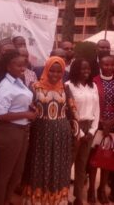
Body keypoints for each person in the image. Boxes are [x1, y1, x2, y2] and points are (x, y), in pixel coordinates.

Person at [22, 56, 77, 205]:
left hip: (61, 134)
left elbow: (72, 111)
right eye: (52, 70)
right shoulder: (34, 87)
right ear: (46, 69)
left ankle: (57, 200)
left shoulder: (65, 88)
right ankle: (38, 200)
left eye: (59, 72)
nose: (55, 74)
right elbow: (27, 108)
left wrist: (76, 132)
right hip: (40, 132)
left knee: (59, 165)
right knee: (38, 164)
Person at [0, 50, 36, 205]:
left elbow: (19, 101)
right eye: (18, 65)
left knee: (17, 173)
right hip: (9, 131)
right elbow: (0, 114)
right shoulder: (5, 86)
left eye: (23, 65)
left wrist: (29, 107)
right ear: (8, 66)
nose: (22, 68)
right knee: (5, 174)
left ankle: (7, 200)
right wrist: (26, 114)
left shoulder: (19, 81)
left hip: (22, 131)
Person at [66, 58, 100, 205]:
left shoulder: (93, 86)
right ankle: (63, 196)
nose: (86, 72)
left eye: (88, 69)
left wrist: (92, 130)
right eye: (82, 69)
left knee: (82, 165)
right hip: (74, 128)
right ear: (75, 70)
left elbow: (97, 109)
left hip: (90, 128)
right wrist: (79, 133)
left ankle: (78, 197)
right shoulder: (68, 86)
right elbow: (69, 112)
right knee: (67, 164)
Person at [88, 55, 114, 205]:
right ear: (100, 64)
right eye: (106, 65)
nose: (109, 67)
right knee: (94, 159)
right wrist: (102, 122)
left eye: (112, 65)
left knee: (107, 159)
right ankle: (91, 189)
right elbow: (91, 103)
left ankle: (101, 189)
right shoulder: (93, 81)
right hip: (97, 125)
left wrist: (111, 123)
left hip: (112, 127)